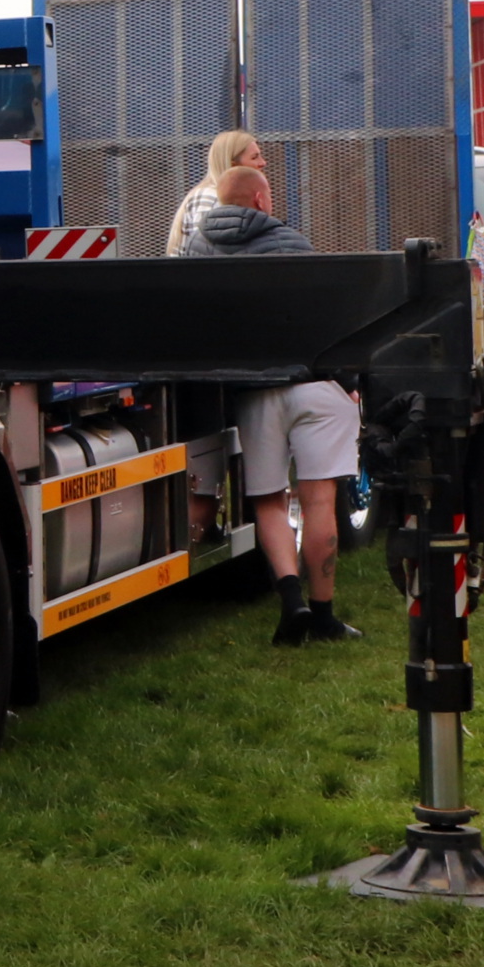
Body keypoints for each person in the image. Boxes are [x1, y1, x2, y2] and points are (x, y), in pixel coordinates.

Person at [184, 163, 363, 645]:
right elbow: (323, 319)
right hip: (312, 382)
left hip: (254, 392)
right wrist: (348, 381)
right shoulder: (291, 242)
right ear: (262, 201)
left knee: (268, 500)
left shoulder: (198, 247)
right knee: (318, 498)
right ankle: (324, 616)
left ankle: (292, 606)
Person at [166, 129, 265, 255]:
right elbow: (203, 253)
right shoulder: (210, 198)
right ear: (233, 165)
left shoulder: (219, 196)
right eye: (254, 157)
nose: (263, 163)